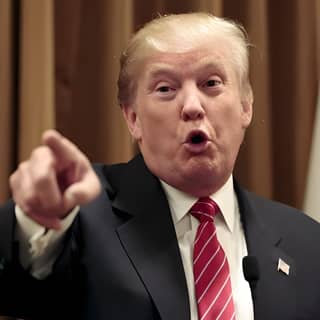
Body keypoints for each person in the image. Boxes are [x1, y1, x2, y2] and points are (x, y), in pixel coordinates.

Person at [1, 12, 320, 320]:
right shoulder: (84, 213)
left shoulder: (305, 241)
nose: (192, 107)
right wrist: (35, 221)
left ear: (246, 106)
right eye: (166, 89)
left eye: (211, 83)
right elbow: (18, 289)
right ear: (133, 118)